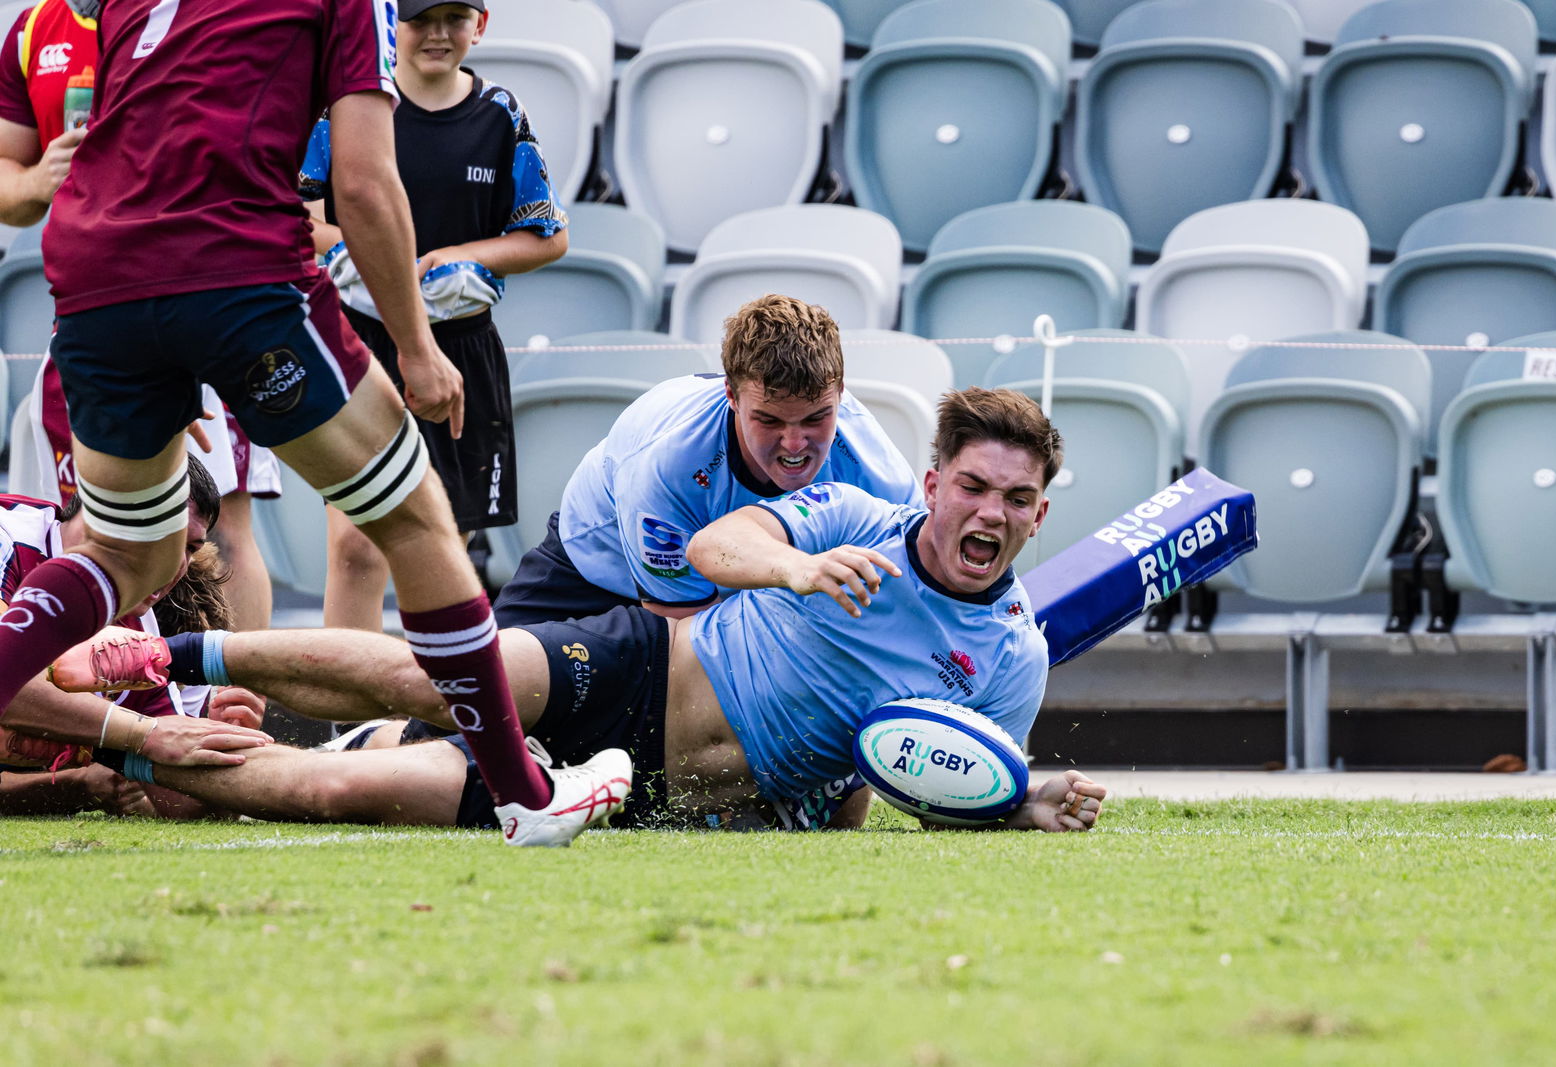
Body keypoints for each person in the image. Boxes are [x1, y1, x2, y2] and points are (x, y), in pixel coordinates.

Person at [0, 0, 598, 848]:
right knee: (416, 516)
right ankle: (526, 796)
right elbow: (361, 182)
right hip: (235, 267)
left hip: (96, 273)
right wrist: (419, 349)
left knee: (123, 552)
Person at [57, 389, 1107, 834]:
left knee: (345, 785)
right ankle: (158, 646)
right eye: (973, 486)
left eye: (1015, 500)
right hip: (639, 661)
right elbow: (713, 546)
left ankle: (126, 755)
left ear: (1038, 515)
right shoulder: (855, 516)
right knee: (428, 672)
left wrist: (1019, 803)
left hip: (652, 793)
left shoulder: (1012, 657)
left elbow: (943, 776)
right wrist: (795, 570)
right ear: (933, 487)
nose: (990, 512)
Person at [0, 0, 282, 632]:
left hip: (208, 303)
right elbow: (7, 184)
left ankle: (236, 706)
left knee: (216, 526)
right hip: (86, 318)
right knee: (88, 522)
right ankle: (118, 698)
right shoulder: (33, 30)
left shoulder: (206, 12)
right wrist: (36, 181)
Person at [298, 0, 569, 631]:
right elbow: (294, 215)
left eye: (455, 16)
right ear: (393, 26)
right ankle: (352, 721)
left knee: (447, 552)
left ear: (481, 24)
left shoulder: (500, 114)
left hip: (461, 350)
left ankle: (446, 716)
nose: (439, 34)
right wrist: (353, 250)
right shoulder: (347, 108)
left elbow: (547, 235)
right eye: (422, 18)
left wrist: (459, 257)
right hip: (356, 343)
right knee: (356, 548)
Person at [495, 293, 922, 627]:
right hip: (598, 568)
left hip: (748, 581)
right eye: (769, 420)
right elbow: (679, 635)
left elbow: (918, 595)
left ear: (841, 391)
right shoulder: (669, 463)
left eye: (816, 418)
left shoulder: (875, 467)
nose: (795, 444)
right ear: (731, 396)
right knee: (467, 696)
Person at [0, 454, 272, 816]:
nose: (176, 567)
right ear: (109, 513)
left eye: (191, 548)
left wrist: (217, 744)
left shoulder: (138, 633)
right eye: (165, 538)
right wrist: (142, 734)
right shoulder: (9, 535)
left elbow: (181, 799)